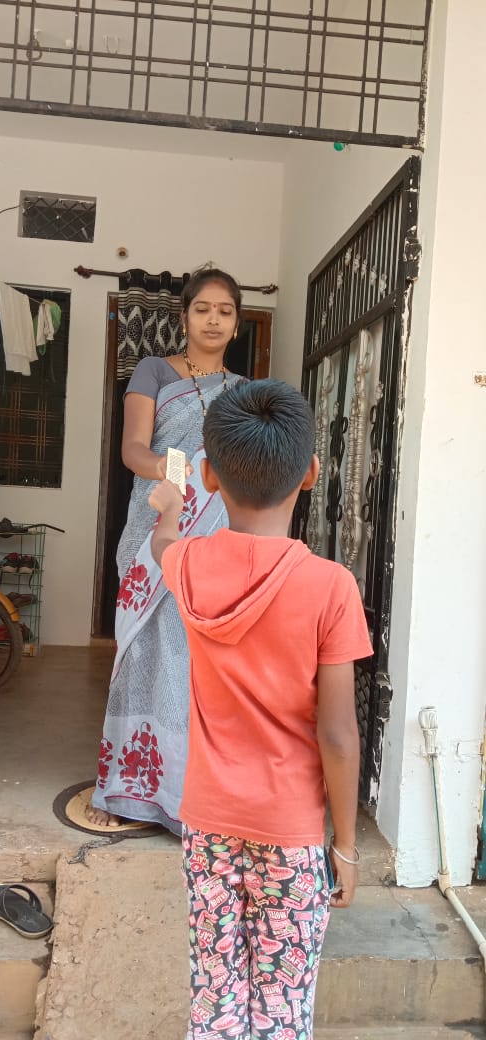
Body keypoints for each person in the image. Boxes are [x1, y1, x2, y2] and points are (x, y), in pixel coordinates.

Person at [148, 379, 373, 1040]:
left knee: (217, 995)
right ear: (310, 473)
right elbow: (336, 734)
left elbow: (164, 548)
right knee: (281, 1005)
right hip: (292, 833)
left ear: (211, 476)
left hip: (208, 827)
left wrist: (169, 503)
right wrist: (349, 848)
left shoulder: (188, 564)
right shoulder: (332, 587)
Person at [87, 266, 244, 831]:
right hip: (156, 532)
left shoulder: (245, 394)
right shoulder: (154, 371)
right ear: (184, 316)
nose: (213, 319)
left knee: (199, 663)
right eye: (203, 308)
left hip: (216, 542)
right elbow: (134, 449)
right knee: (144, 654)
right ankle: (128, 794)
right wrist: (172, 469)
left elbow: (247, 472)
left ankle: (189, 798)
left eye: (225, 311)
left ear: (236, 322)